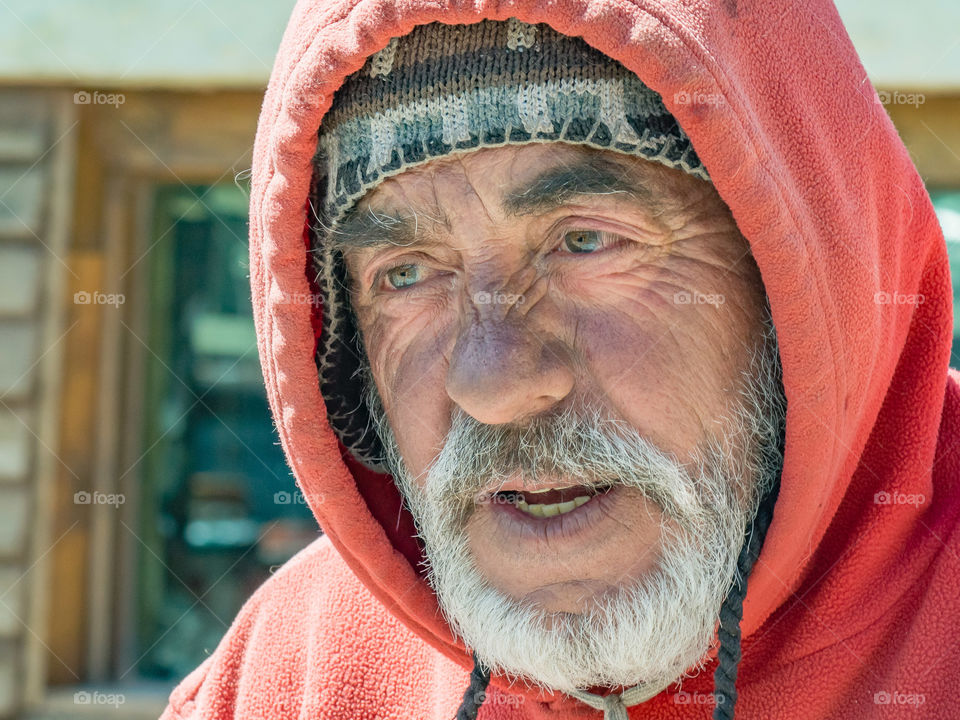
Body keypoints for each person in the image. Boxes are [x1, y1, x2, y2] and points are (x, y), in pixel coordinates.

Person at [160, 2, 960, 719]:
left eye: (586, 241)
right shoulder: (283, 680)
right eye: (405, 273)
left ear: (806, 285)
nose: (496, 384)